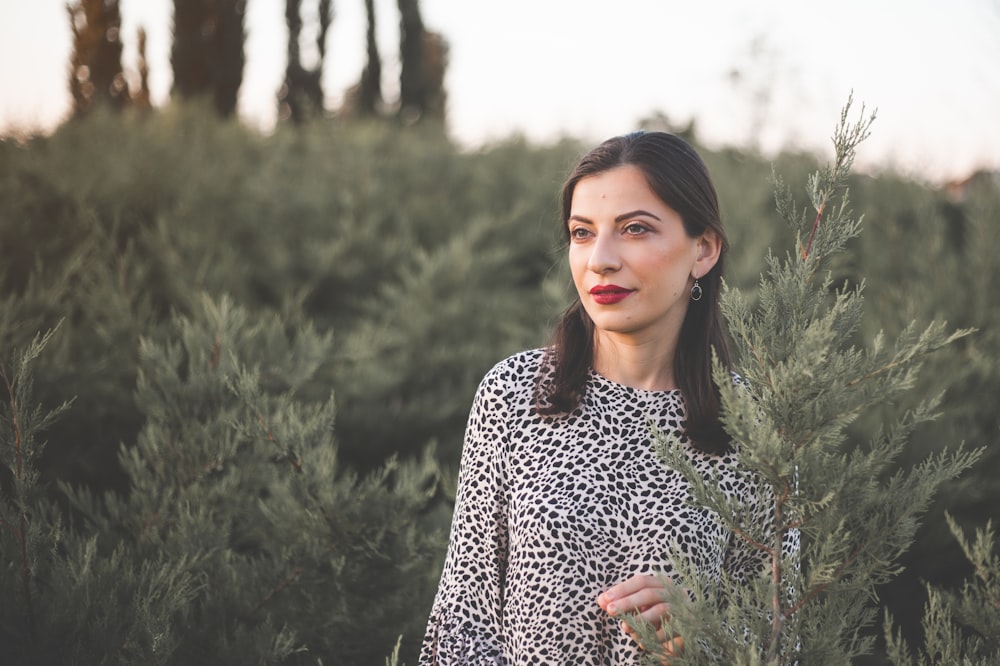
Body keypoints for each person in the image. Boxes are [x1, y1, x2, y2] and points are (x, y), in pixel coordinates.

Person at [419, 131, 778, 665]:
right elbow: (459, 629)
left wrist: (705, 639)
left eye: (635, 229)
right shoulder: (513, 395)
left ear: (703, 249)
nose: (600, 260)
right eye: (582, 233)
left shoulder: (753, 429)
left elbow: (784, 642)